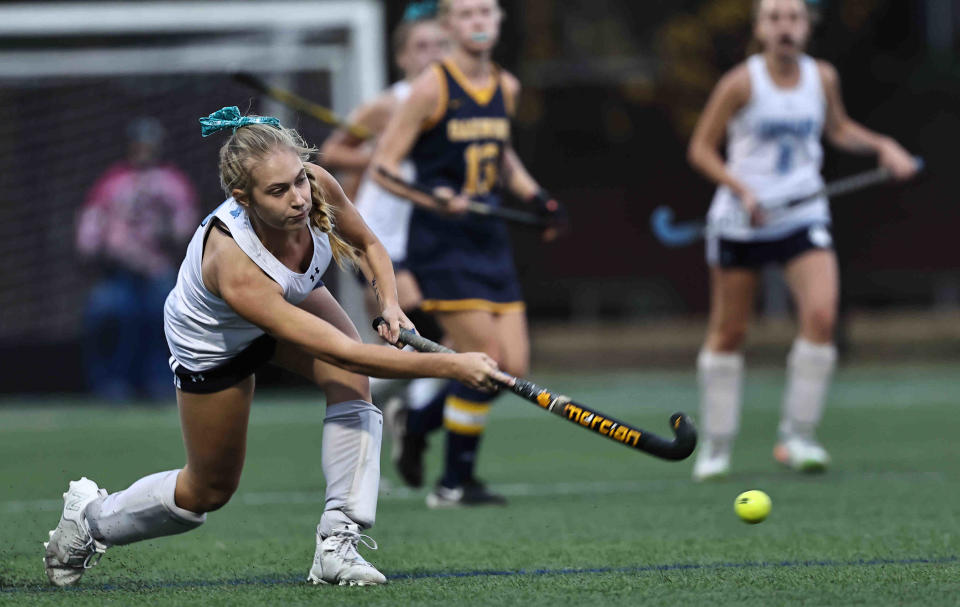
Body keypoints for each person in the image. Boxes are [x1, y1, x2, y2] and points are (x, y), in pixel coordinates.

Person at [42, 107, 504, 588]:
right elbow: (344, 351)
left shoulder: (317, 185)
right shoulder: (233, 264)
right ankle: (90, 520)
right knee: (207, 490)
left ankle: (337, 543)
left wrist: (390, 303)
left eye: (299, 181)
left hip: (291, 296)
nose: (299, 199)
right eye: (279, 191)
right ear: (243, 197)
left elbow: (367, 243)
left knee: (351, 386)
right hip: (215, 342)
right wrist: (451, 365)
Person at [686, 0, 918, 481]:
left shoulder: (822, 78)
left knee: (820, 316)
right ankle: (717, 444)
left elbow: (838, 129)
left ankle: (798, 436)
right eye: (773, 19)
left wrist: (882, 147)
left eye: (793, 18)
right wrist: (742, 190)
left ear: (807, 27)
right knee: (730, 333)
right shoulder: (741, 82)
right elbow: (701, 150)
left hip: (802, 214)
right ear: (759, 29)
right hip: (742, 220)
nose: (784, 28)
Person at [373, 0, 566, 507]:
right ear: (450, 26)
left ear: (499, 21)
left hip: (489, 242)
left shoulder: (507, 85)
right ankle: (454, 482)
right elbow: (383, 167)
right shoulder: (432, 87)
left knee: (512, 370)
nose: (478, 21)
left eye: (486, 12)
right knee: (490, 361)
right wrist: (430, 196)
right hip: (441, 245)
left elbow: (501, 154)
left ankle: (415, 424)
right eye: (466, 14)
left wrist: (536, 197)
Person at [320, 2, 450, 419]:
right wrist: (380, 158)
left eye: (440, 45)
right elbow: (332, 151)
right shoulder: (388, 106)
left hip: (426, 233)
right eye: (422, 46)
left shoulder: (452, 106)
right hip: (380, 230)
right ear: (403, 57)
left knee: (424, 331)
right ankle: (372, 394)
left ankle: (390, 397)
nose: (432, 53)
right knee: (417, 321)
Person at [76, 117, 199, 401]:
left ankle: (160, 380)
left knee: (164, 313)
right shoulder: (112, 181)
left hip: (157, 268)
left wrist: (164, 235)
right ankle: (111, 383)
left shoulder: (173, 182)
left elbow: (186, 225)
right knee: (110, 312)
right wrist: (94, 249)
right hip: (117, 270)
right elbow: (92, 220)